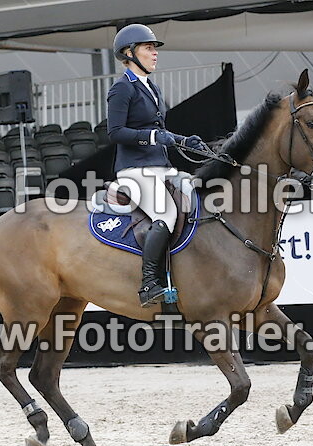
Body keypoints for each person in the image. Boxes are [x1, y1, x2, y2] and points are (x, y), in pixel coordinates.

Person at [107, 23, 207, 307]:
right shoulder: (121, 88)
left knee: (197, 197)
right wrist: (151, 137)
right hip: (134, 170)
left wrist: (184, 140)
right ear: (129, 53)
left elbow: (159, 131)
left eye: (154, 49)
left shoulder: (152, 88)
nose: (155, 53)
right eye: (148, 48)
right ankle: (149, 283)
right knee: (166, 213)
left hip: (161, 166)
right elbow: (115, 132)